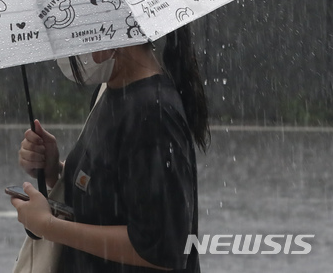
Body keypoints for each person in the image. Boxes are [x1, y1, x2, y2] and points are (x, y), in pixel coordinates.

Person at [11, 26, 207, 272]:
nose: (72, 49)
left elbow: (162, 247)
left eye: (78, 30)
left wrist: (49, 226)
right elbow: (113, 189)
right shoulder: (110, 90)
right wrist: (54, 170)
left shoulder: (153, 115)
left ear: (113, 30)